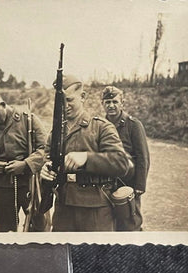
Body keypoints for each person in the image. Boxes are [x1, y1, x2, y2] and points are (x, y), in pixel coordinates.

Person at [40, 75, 133, 232]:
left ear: (82, 97)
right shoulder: (56, 132)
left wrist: (86, 158)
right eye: (61, 101)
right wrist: (45, 169)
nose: (65, 105)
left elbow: (121, 163)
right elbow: (47, 158)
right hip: (64, 208)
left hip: (95, 209)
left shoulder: (101, 127)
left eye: (69, 100)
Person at [0, 87, 47, 232]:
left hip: (30, 184)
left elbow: (45, 150)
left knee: (38, 228)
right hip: (3, 188)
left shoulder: (29, 121)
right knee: (5, 231)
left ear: (1, 104)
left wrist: (25, 164)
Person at [101, 85, 150, 224]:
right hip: (106, 183)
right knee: (108, 222)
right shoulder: (100, 126)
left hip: (128, 183)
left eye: (115, 102)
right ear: (102, 104)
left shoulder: (133, 125)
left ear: (122, 103)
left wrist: (140, 185)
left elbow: (143, 157)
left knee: (130, 221)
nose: (111, 106)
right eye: (107, 102)